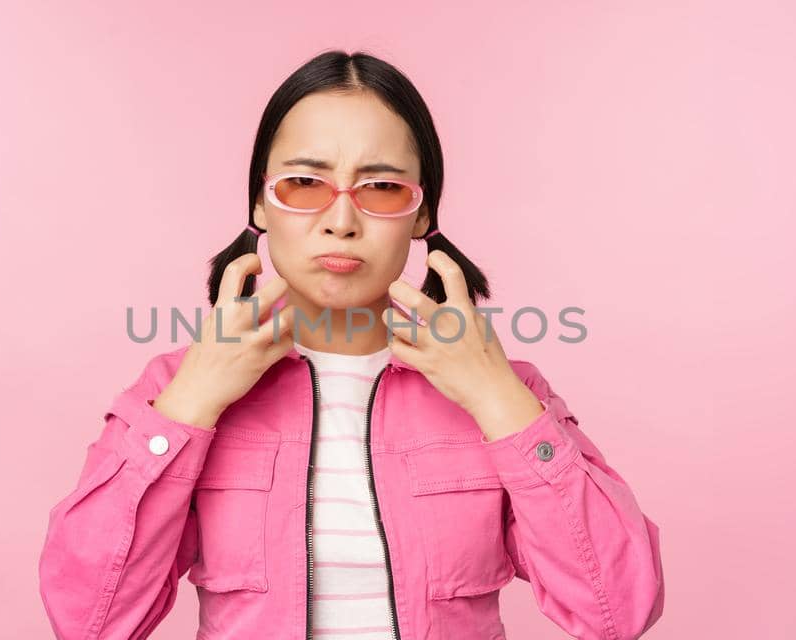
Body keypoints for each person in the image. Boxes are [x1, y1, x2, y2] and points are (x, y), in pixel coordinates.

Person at [38, 49, 664, 640]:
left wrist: (496, 398)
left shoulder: (504, 390)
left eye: (382, 188)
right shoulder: (175, 390)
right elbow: (91, 620)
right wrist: (192, 404)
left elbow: (617, 611)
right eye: (306, 183)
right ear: (261, 200)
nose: (341, 220)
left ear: (422, 215)